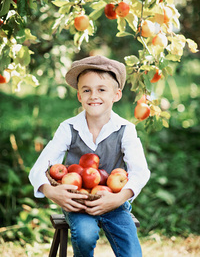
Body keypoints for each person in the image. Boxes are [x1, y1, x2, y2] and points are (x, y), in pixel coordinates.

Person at [29, 55, 150, 257]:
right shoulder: (68, 128)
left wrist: (118, 198)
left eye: (102, 89)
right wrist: (51, 191)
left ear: (116, 94)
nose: (94, 95)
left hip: (114, 202)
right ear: (79, 96)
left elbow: (140, 172)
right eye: (87, 90)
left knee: (131, 252)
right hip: (77, 203)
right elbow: (39, 168)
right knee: (85, 235)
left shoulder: (125, 129)